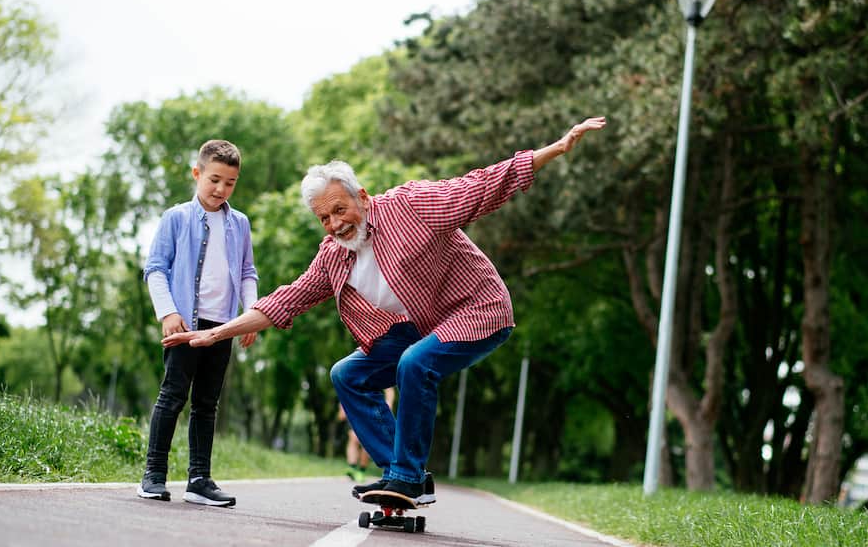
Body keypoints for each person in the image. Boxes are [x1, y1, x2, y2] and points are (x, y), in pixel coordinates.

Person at [161, 117, 607, 504]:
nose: (336, 224)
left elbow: (480, 186)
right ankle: (406, 475)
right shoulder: (334, 255)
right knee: (347, 375)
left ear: (362, 196)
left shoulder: (410, 206)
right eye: (324, 218)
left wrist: (554, 149)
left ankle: (407, 476)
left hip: (478, 309)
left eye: (340, 209)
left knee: (415, 363)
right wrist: (213, 334)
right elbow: (285, 300)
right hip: (420, 326)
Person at [138, 139, 259, 507]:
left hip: (222, 327)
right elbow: (155, 268)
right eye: (214, 180)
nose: (221, 189)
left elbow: (247, 272)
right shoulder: (176, 218)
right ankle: (154, 475)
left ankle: (199, 480)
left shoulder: (240, 223)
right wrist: (167, 312)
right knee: (172, 396)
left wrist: (251, 314)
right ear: (197, 173)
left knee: (207, 404)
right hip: (185, 325)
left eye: (230, 183)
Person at [339, 386, 396, 482]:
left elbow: (389, 389)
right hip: (354, 409)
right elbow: (345, 387)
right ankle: (352, 467)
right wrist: (342, 406)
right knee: (353, 438)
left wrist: (389, 403)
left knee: (366, 441)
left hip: (371, 409)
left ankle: (362, 470)